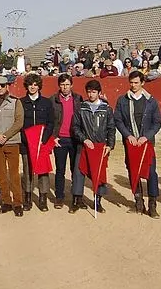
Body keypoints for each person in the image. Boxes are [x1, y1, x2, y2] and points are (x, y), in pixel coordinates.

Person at [113, 71, 161, 217]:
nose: (133, 85)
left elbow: (157, 122)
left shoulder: (151, 101)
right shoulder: (122, 100)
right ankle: (138, 202)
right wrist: (128, 135)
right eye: (131, 82)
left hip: (146, 143)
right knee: (132, 170)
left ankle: (152, 205)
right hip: (131, 143)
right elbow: (118, 120)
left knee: (151, 172)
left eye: (136, 82)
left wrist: (146, 137)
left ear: (142, 83)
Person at [71, 80, 116, 213]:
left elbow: (111, 128)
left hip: (100, 146)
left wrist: (110, 145)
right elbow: (75, 127)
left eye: (94, 92)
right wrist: (84, 139)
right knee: (79, 172)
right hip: (84, 145)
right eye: (89, 92)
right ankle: (76, 200)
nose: (91, 95)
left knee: (99, 173)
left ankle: (97, 201)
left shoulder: (107, 109)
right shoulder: (81, 107)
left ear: (99, 93)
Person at [0, 76, 25, 217]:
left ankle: (18, 203)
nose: (0, 88)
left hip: (12, 142)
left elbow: (19, 122)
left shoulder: (15, 102)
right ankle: (6, 202)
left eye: (2, 86)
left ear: (7, 87)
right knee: (1, 175)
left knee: (14, 175)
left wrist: (5, 136)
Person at [19, 73, 55, 212]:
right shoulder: (21, 103)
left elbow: (51, 123)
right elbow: (19, 123)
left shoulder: (46, 102)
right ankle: (27, 199)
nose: (33, 87)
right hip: (26, 143)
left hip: (42, 143)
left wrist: (44, 139)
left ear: (39, 86)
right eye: (30, 84)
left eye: (35, 84)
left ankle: (42, 199)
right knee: (27, 171)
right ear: (26, 86)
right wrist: (26, 139)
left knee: (43, 171)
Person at [49, 74, 81, 209]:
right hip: (60, 139)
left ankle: (76, 197)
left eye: (67, 84)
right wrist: (53, 137)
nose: (65, 87)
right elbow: (49, 120)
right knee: (60, 170)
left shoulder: (78, 98)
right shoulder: (53, 100)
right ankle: (59, 197)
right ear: (59, 86)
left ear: (71, 85)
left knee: (76, 170)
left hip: (75, 139)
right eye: (62, 85)